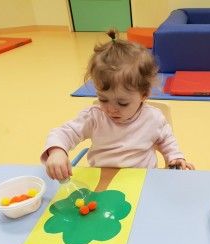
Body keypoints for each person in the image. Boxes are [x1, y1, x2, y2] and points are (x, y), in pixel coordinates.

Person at [41, 28, 194, 180]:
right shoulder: (94, 117)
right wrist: (57, 151)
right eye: (103, 99)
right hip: (102, 179)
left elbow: (166, 141)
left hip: (143, 181)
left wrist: (175, 156)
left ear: (144, 94)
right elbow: (63, 133)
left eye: (122, 103)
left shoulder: (153, 118)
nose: (110, 109)